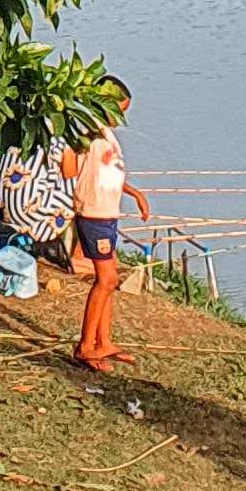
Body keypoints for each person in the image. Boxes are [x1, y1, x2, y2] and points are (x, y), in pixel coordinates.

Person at [61, 86, 148, 367]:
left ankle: (104, 341)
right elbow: (70, 170)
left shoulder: (107, 136)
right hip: (93, 214)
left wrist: (134, 194)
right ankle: (85, 346)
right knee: (107, 280)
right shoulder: (88, 135)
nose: (120, 118)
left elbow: (109, 172)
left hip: (108, 213)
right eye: (118, 110)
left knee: (107, 282)